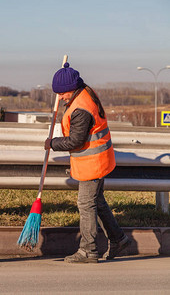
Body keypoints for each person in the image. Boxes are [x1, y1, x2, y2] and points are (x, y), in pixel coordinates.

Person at [45, 62, 131, 263]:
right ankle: (119, 240)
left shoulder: (81, 108)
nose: (60, 97)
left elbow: (75, 141)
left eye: (62, 93)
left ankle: (88, 250)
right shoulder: (84, 93)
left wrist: (52, 143)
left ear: (71, 89)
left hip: (93, 163)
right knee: (97, 202)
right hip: (98, 160)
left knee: (85, 204)